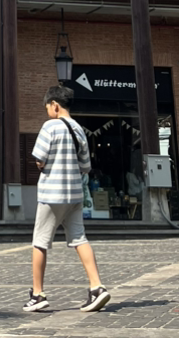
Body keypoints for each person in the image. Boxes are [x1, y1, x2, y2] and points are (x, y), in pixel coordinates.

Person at [24, 84, 111, 313]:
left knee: (40, 242)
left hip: (52, 194)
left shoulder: (49, 127)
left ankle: (38, 294)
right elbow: (86, 166)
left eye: (47, 108)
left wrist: (44, 164)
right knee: (79, 238)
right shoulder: (79, 129)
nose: (47, 112)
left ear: (54, 105)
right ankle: (97, 287)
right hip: (75, 194)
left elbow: (39, 159)